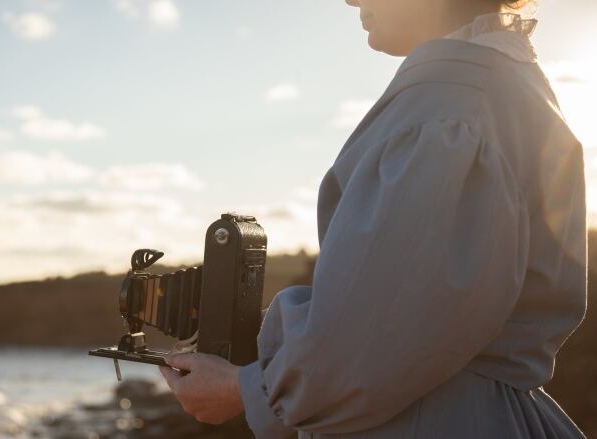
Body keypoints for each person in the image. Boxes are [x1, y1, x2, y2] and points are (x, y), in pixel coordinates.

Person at [159, 0, 588, 437]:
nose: (350, 0)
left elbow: (369, 346)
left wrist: (244, 390)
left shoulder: (449, 109)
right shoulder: (510, 87)